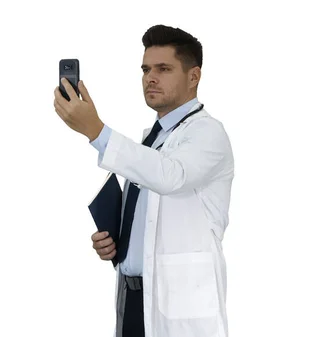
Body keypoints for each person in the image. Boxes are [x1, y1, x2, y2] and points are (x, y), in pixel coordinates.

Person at [53, 24, 234, 337]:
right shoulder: (151, 141)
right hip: (133, 297)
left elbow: (170, 176)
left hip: (180, 308)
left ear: (194, 77)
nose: (151, 77)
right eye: (146, 69)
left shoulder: (208, 134)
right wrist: (119, 244)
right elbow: (151, 218)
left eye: (164, 69)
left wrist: (97, 131)